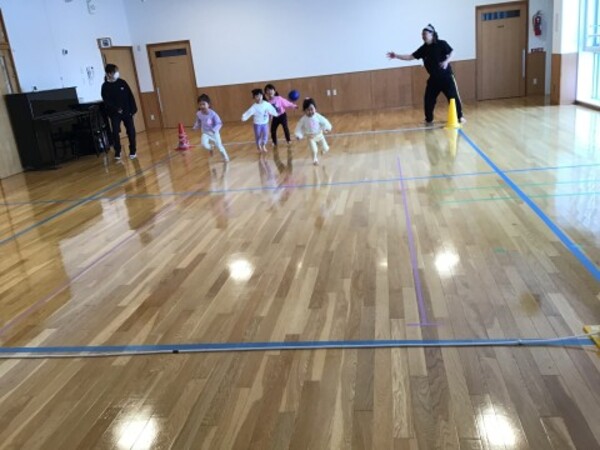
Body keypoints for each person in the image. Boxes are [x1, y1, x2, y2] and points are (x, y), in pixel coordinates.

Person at [387, 24, 465, 126]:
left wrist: (446, 61)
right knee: (428, 100)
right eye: (422, 34)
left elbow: (452, 52)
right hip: (434, 79)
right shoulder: (423, 49)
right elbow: (410, 57)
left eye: (425, 34)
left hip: (446, 78)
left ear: (432, 34)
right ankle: (429, 119)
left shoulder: (441, 43)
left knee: (453, 98)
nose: (423, 36)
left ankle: (460, 117)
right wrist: (396, 56)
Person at [101, 64, 138, 160]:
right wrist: (116, 109)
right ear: (109, 74)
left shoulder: (122, 83)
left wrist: (133, 110)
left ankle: (133, 151)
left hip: (127, 112)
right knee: (115, 132)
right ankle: (118, 151)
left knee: (131, 131)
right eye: (115, 72)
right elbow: (106, 101)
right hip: (115, 114)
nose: (117, 73)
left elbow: (130, 96)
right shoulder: (105, 86)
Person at [294, 98, 332, 166]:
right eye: (308, 110)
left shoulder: (318, 116)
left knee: (326, 148)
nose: (310, 111)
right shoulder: (303, 119)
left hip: (320, 135)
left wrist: (327, 128)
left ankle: (323, 150)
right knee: (314, 150)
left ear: (315, 109)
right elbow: (299, 127)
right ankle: (315, 160)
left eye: (312, 109)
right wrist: (298, 135)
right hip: (310, 137)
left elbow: (324, 122)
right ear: (304, 111)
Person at [193, 94, 230, 162]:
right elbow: (198, 122)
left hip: (214, 133)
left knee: (219, 146)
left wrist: (213, 130)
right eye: (200, 104)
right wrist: (195, 127)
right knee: (204, 144)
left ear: (208, 104)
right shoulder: (199, 114)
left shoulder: (213, 114)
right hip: (205, 132)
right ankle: (211, 148)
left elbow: (219, 123)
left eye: (203, 104)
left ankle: (225, 156)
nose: (202, 106)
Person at [241, 88, 279, 154]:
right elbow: (248, 112)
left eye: (260, 95)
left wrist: (276, 113)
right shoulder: (254, 107)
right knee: (258, 136)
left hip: (265, 123)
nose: (258, 98)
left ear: (262, 95)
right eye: (256, 96)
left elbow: (271, 109)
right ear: (254, 97)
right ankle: (258, 146)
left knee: (265, 135)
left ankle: (263, 145)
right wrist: (244, 117)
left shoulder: (266, 104)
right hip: (257, 124)